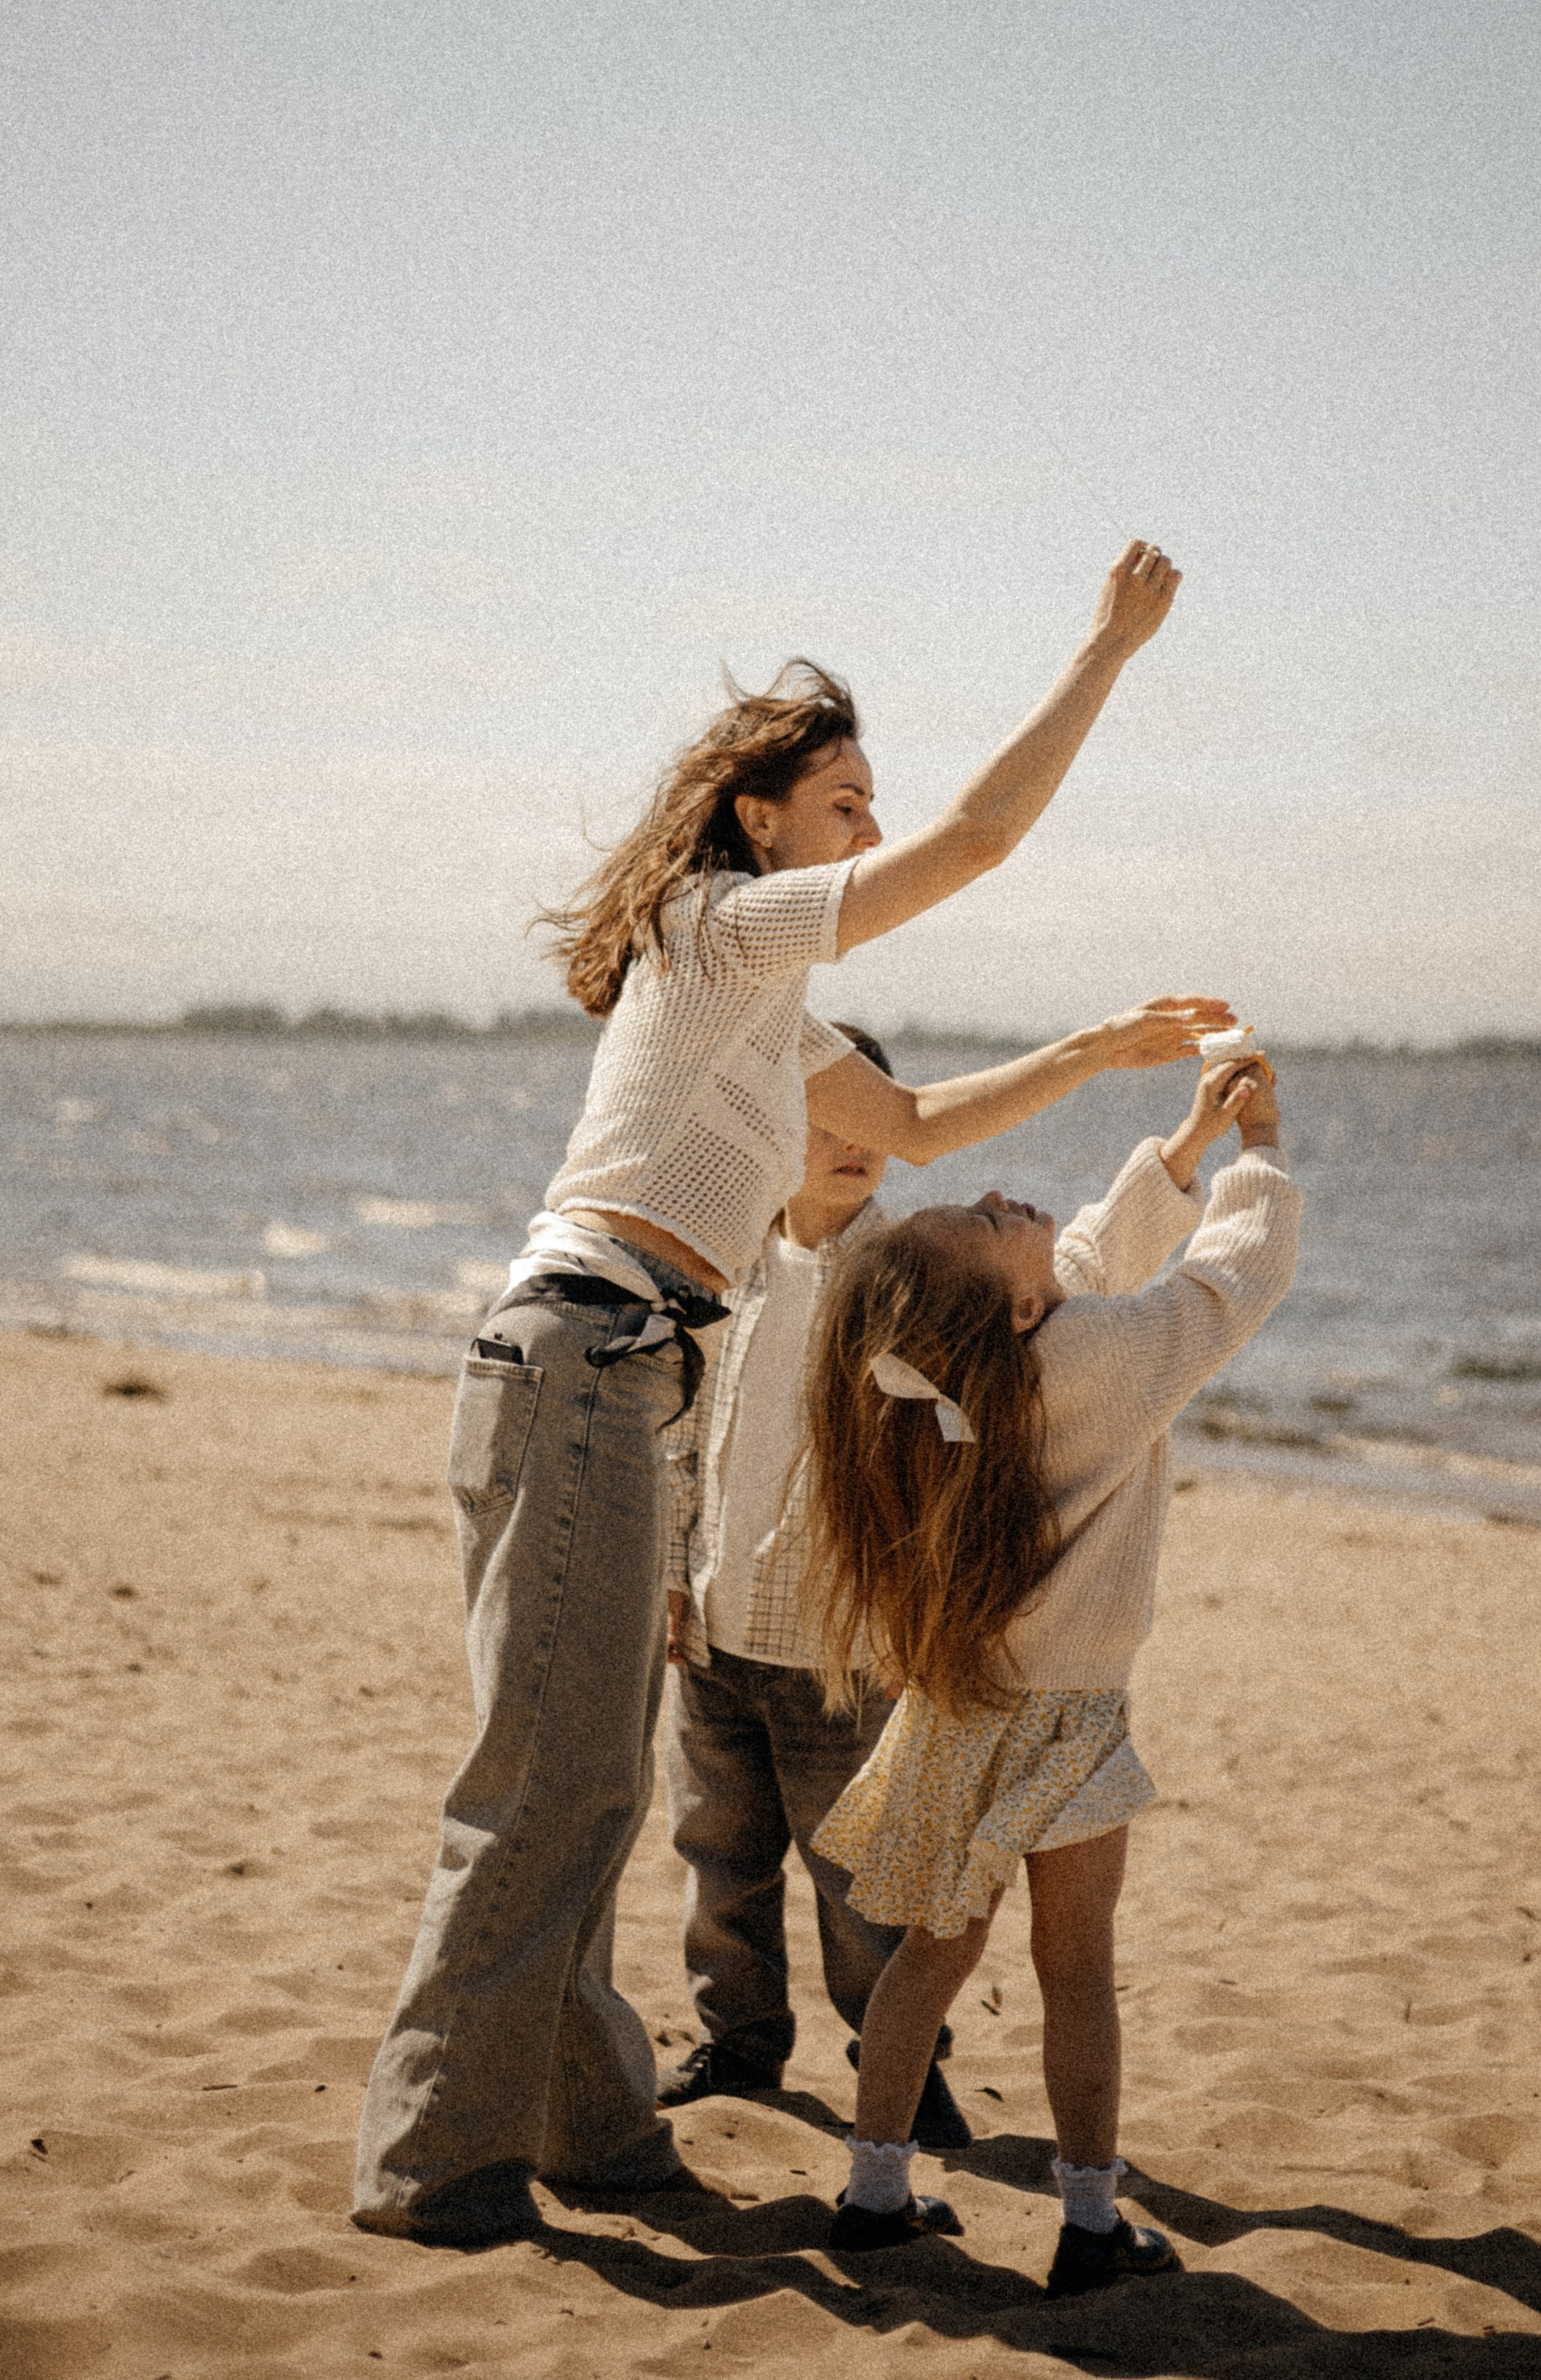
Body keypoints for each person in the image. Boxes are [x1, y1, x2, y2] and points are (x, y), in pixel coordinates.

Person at [353, 541, 1233, 2247]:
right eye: (841, 804)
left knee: (590, 1788)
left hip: (622, 1382)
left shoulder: (764, 1010)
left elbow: (908, 1131)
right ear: (758, 820)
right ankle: (430, 2162)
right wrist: (1104, 652)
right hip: (583, 1358)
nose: (862, 836)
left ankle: (594, 2131)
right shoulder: (714, 927)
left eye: (864, 808)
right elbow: (973, 848)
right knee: (544, 1789)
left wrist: (1094, 1053)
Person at [801, 1051, 1298, 2297]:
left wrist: (1179, 1151)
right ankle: (1088, 2227)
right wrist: (1260, 1159)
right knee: (1075, 1969)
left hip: (958, 1712)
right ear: (1011, 1314)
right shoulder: (1094, 1360)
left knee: (927, 1959)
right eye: (981, 1222)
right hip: (1071, 1721)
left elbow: (1075, 1267)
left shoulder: (947, 1389)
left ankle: (872, 2195)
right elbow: (1225, 1292)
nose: (1004, 1199)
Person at [657, 1022, 967, 2145]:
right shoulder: (724, 1260)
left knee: (863, 1886)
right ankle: (738, 2042)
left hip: (843, 1644)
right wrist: (672, 1580)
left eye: (875, 1116)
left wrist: (913, 1621)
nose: (854, 1141)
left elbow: (945, 1461)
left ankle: (906, 2069)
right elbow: (684, 1430)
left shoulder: (907, 1278)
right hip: (715, 1624)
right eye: (826, 1117)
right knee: (720, 1856)